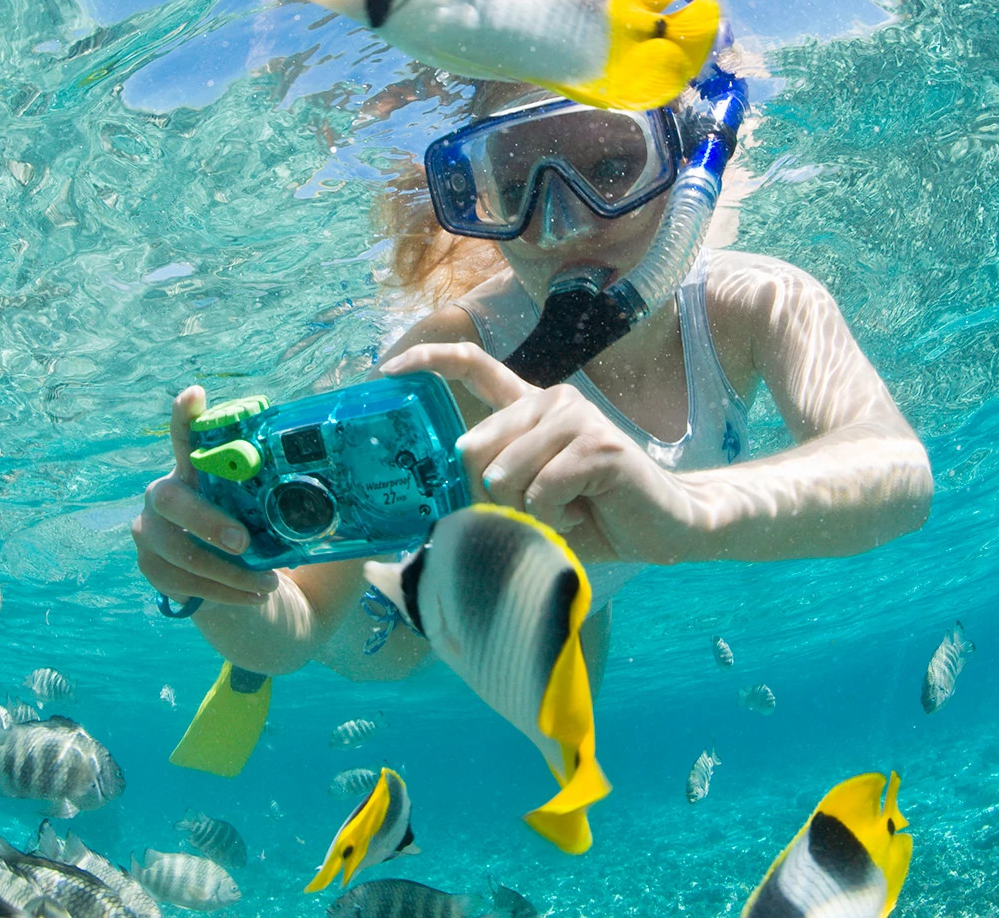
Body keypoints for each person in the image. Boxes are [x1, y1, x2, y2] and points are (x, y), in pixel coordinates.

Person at [134, 64, 933, 763]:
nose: (562, 225)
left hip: (587, 583)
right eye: (517, 189)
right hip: (407, 597)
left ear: (688, 164)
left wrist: (684, 512)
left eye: (612, 165)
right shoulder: (449, 357)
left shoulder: (758, 304)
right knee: (392, 656)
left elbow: (896, 468)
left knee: (579, 679)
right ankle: (241, 677)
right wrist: (229, 584)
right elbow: (301, 623)